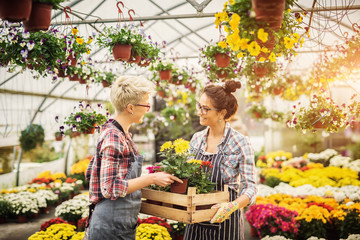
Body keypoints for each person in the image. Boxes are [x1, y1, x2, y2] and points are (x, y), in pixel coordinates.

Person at [84, 75, 182, 240]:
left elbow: (93, 174)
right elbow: (109, 187)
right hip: (110, 228)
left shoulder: (121, 133)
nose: (148, 108)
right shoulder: (113, 136)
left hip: (119, 224)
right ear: (130, 108)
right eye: (146, 105)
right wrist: (152, 178)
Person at [184, 80, 257, 240]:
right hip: (195, 219)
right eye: (199, 106)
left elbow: (250, 187)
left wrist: (232, 206)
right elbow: (188, 176)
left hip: (226, 221)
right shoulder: (197, 139)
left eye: (205, 109)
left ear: (222, 113)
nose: (200, 112)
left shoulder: (240, 143)